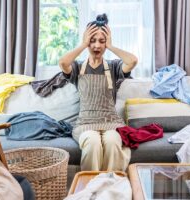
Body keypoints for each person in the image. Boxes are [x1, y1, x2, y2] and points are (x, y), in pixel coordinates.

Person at [59, 14, 138, 171]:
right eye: (92, 41)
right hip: (85, 124)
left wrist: (111, 46)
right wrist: (82, 44)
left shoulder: (114, 67)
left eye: (102, 42)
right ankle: (90, 187)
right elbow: (63, 62)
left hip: (111, 123)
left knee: (113, 142)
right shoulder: (77, 67)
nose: (97, 46)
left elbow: (132, 61)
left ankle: (111, 184)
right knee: (92, 143)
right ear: (87, 41)